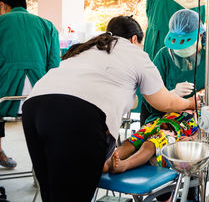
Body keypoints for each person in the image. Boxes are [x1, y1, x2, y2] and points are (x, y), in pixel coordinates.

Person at [21, 16, 197, 202]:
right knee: (74, 194)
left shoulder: (88, 48)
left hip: (35, 106)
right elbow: (166, 103)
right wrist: (190, 103)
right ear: (135, 39)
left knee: (51, 190)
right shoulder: (135, 53)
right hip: (78, 115)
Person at [142, 9, 209, 202]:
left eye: (187, 42)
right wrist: (168, 95)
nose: (182, 49)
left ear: (201, 35)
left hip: (208, 127)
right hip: (169, 123)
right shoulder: (164, 56)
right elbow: (148, 102)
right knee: (162, 155)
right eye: (178, 42)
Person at [0, 0, 60, 169]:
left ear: (2, 6)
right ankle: (42, 165)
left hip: (4, 103)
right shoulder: (47, 25)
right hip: (39, 102)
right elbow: (54, 68)